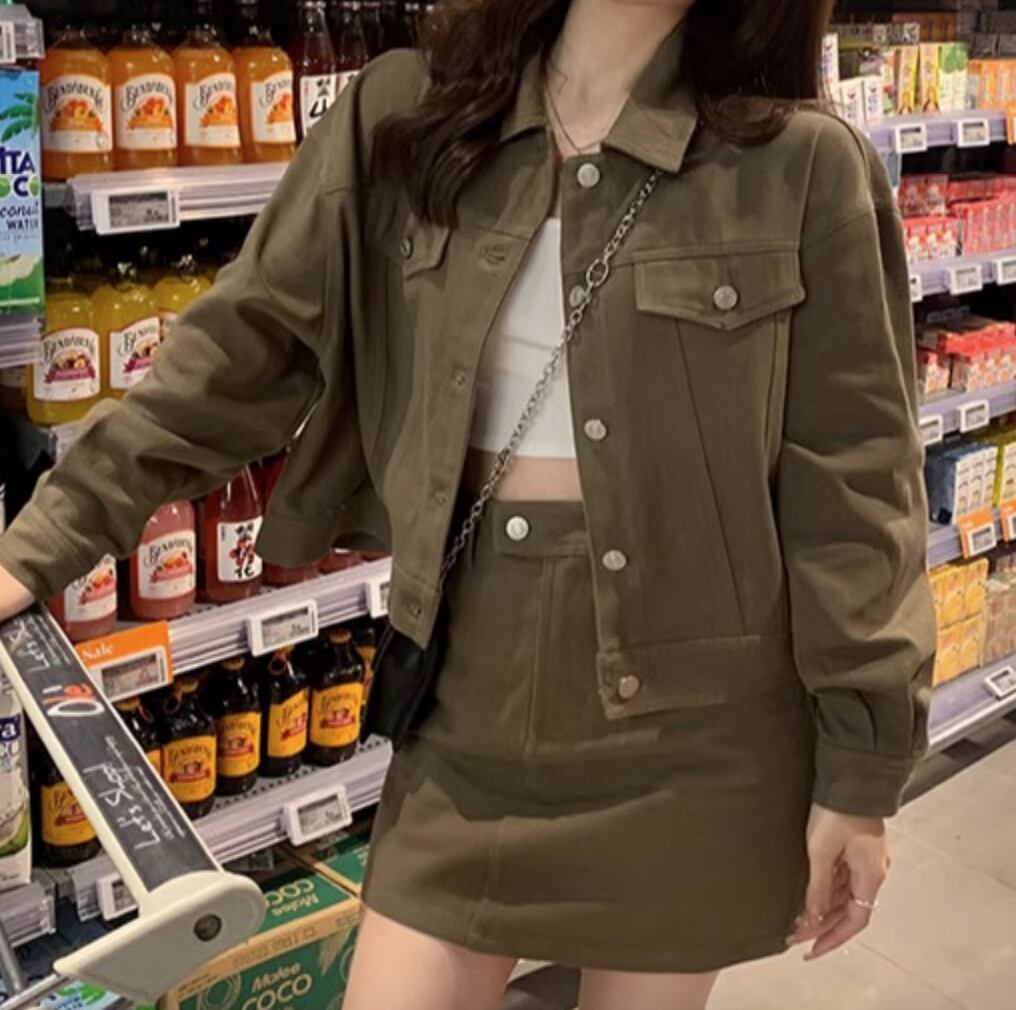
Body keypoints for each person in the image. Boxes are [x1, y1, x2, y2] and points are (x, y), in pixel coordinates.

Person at [0, 0, 935, 1007]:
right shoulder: (403, 117)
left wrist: (861, 771)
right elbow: (236, 355)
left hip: (700, 739)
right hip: (467, 714)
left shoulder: (799, 165)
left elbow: (855, 483)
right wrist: (41, 543)